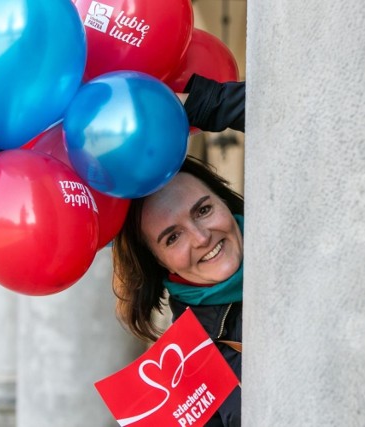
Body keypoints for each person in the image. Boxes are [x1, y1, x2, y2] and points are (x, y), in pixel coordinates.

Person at [111, 74, 245, 427]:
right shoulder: (182, 369)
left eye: (203, 210)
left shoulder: (299, 245)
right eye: (172, 238)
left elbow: (309, 112)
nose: (201, 238)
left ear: (226, 202)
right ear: (155, 262)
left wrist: (201, 104)